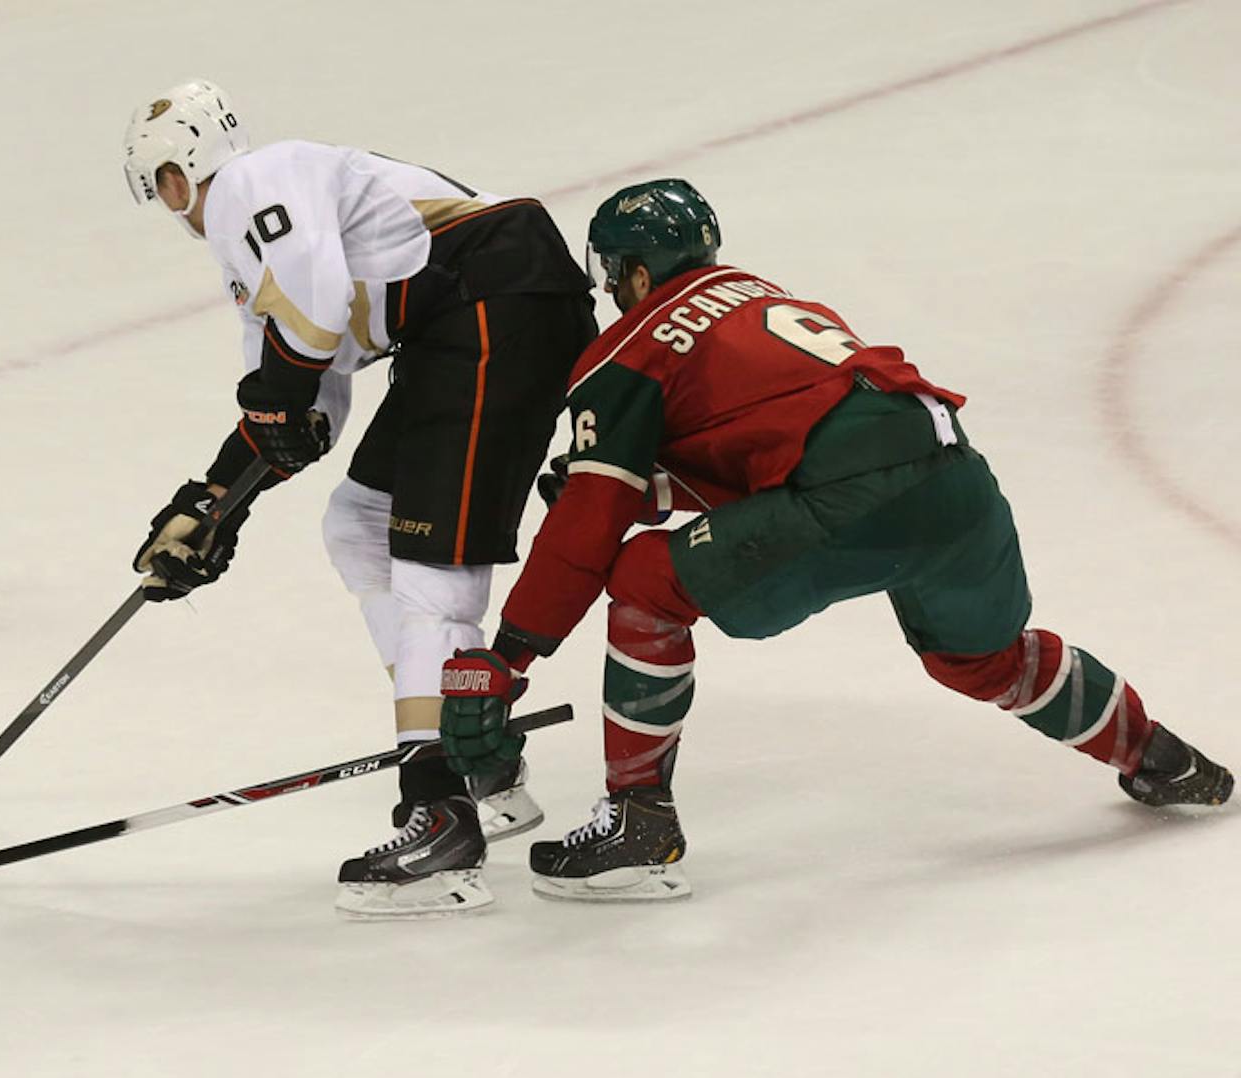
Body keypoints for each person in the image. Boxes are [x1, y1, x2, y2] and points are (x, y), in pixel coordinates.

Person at [437, 178, 1232, 902]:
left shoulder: (631, 345)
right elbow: (783, 445)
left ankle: (639, 820)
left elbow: (585, 531)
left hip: (848, 492)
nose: (615, 291)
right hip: (953, 475)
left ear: (637, 274)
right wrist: (660, 489)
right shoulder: (759, 298)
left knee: (648, 579)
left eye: (615, 275)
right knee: (984, 657)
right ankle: (1164, 759)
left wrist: (509, 659)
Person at [120, 80, 599, 917]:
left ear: (180, 168)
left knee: (429, 561)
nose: (167, 206)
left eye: (159, 182)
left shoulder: (252, 182)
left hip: (498, 300)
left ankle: (439, 812)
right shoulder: (251, 246)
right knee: (360, 523)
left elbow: (311, 311)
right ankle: (475, 756)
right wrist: (211, 505)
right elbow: (308, 403)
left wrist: (274, 406)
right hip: (473, 318)